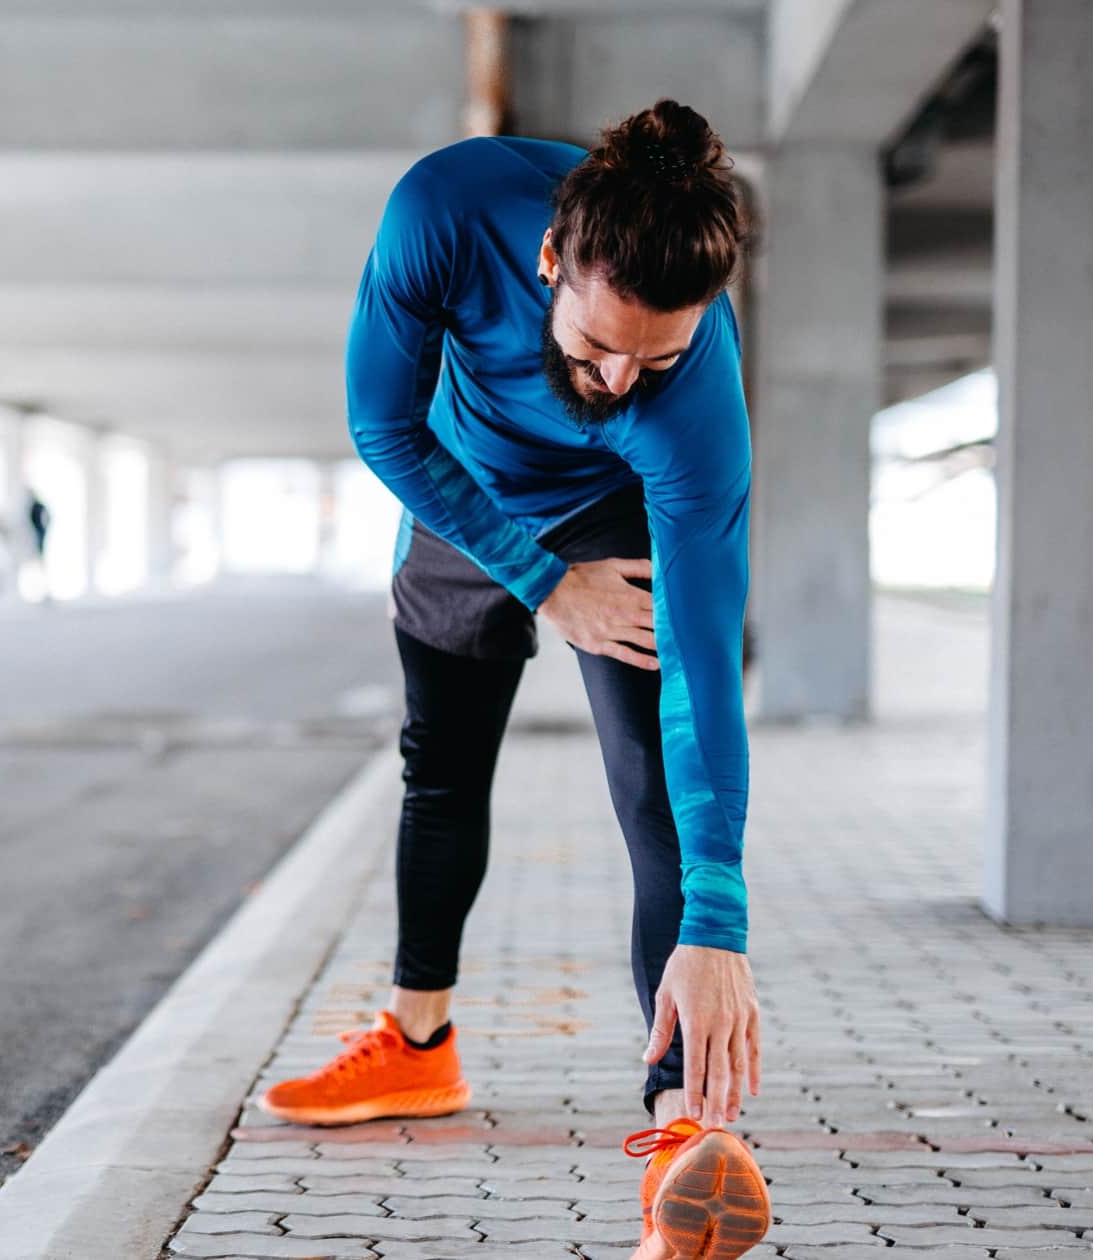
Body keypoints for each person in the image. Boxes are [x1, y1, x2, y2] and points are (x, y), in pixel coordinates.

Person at [255, 100, 769, 1260]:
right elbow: (378, 424)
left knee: (653, 798)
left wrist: (719, 916)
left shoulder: (690, 416)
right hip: (460, 494)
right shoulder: (444, 209)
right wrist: (543, 580)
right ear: (549, 261)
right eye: (594, 349)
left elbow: (700, 670)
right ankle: (417, 1046)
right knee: (439, 768)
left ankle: (681, 1138)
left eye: (658, 354)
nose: (619, 379)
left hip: (616, 510)